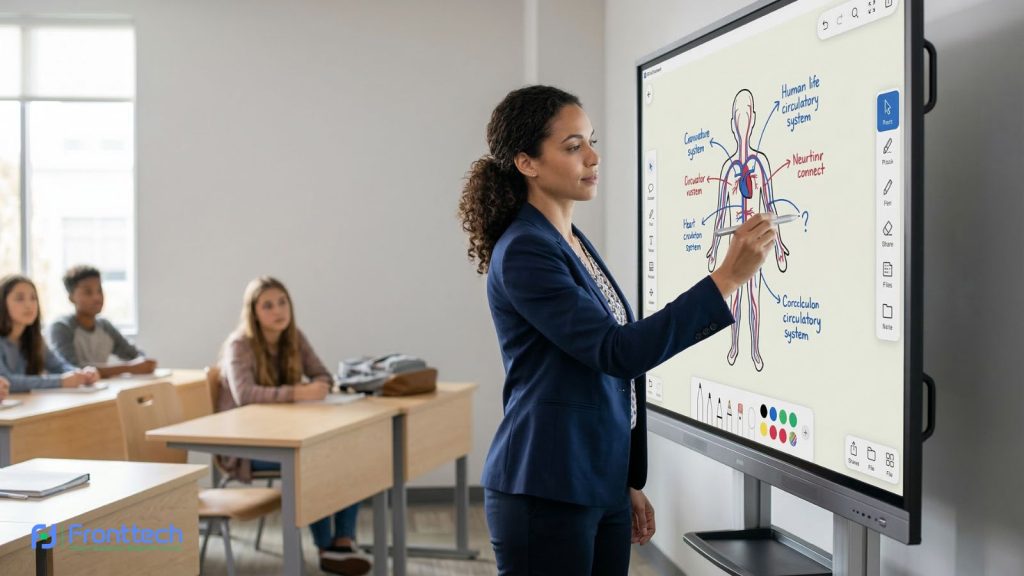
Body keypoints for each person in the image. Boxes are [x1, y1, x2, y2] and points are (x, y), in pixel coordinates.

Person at [457, 85, 776, 574]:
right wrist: (726, 278)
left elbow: (602, 377)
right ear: (527, 163)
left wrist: (623, 478)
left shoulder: (569, 241)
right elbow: (615, 351)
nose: (593, 156)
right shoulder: (525, 249)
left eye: (591, 141)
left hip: (594, 480)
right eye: (573, 147)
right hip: (546, 486)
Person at [217, 276, 370, 576]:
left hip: (286, 436)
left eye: (282, 302)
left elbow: (323, 375)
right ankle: (326, 548)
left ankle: (343, 541)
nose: (278, 311)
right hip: (247, 447)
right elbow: (245, 395)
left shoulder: (294, 338)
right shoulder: (240, 345)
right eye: (268, 305)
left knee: (346, 455)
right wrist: (299, 392)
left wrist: (318, 386)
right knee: (311, 462)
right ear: (253, 312)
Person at [49, 265, 158, 377]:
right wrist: (129, 368)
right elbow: (71, 369)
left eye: (99, 290)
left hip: (99, 391)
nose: (97, 297)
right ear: (71, 297)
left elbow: (135, 355)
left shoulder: (105, 326)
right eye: (88, 292)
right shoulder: (61, 327)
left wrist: (143, 363)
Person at [0, 274, 100, 392]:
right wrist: (60, 381)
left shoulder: (35, 339)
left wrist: (82, 374)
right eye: (20, 298)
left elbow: (58, 366)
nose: (29, 305)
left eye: (33, 298)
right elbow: (7, 381)